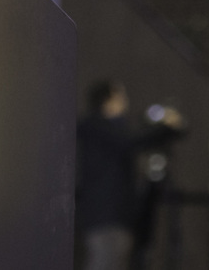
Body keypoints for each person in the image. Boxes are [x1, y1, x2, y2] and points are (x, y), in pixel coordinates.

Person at [75, 81, 183, 270]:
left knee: (113, 260)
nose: (125, 102)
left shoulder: (104, 128)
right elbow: (130, 141)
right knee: (105, 260)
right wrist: (167, 128)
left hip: (113, 213)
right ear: (108, 99)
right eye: (120, 96)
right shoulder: (97, 126)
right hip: (106, 213)